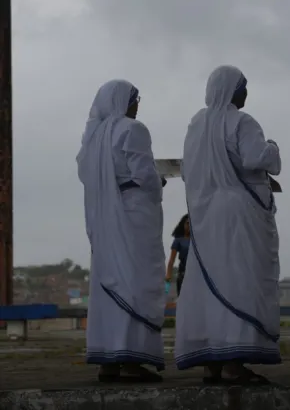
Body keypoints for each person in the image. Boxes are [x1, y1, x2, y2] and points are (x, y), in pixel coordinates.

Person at [175, 65, 282, 385]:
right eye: (242, 87)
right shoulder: (241, 121)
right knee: (240, 280)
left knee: (209, 284)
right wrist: (273, 148)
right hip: (238, 213)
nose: (246, 93)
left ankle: (212, 362)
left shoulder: (197, 123)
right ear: (230, 91)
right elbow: (256, 158)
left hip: (207, 215)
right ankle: (234, 364)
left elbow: (188, 170)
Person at [76, 80, 166, 383]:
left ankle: (108, 361)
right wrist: (159, 185)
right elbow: (145, 176)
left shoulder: (93, 136)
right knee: (135, 281)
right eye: (134, 98)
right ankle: (130, 359)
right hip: (133, 214)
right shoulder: (132, 130)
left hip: (106, 217)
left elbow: (83, 173)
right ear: (121, 101)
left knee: (108, 283)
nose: (137, 104)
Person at [165, 214, 190, 296]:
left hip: (196, 275)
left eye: (191, 223)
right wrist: (167, 281)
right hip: (183, 275)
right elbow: (171, 261)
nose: (189, 225)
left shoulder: (196, 240)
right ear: (183, 224)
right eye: (187, 223)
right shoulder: (178, 240)